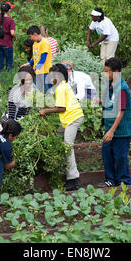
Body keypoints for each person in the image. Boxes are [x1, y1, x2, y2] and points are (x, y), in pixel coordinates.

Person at [39, 63, 84, 191]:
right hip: (70, 119)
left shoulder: (60, 88)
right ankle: (62, 167)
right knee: (58, 139)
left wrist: (46, 111)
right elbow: (62, 103)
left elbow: (62, 108)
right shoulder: (63, 85)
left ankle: (73, 179)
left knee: (67, 147)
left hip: (72, 119)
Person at [93, 58, 131, 187]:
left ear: (116, 72)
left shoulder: (122, 88)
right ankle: (110, 180)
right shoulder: (111, 84)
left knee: (120, 157)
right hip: (110, 128)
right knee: (107, 154)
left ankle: (124, 182)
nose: (105, 75)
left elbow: (120, 112)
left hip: (121, 131)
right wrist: (100, 101)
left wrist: (112, 131)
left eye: (107, 72)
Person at [21, 26, 52, 93]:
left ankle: (50, 102)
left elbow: (43, 59)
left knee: (48, 89)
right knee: (36, 88)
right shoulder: (35, 44)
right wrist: (28, 64)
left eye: (30, 36)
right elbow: (35, 58)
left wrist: (36, 68)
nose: (31, 38)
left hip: (45, 71)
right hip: (37, 71)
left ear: (35, 34)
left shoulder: (44, 43)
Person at [0, 3, 16, 72]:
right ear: (9, 11)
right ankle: (8, 76)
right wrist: (15, 37)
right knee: (9, 62)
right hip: (7, 43)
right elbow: (12, 33)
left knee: (0, 61)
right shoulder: (10, 20)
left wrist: (1, 11)